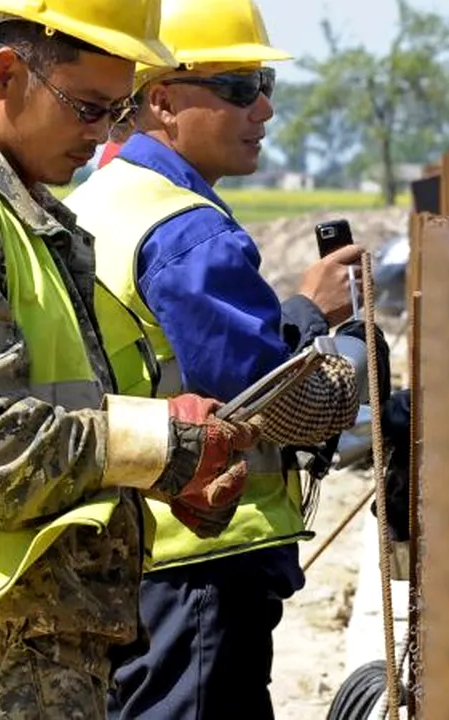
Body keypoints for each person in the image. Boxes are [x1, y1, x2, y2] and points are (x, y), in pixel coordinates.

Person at [0, 2, 262, 717]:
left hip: (21, 640)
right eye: (88, 107)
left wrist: (159, 458)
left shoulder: (9, 209)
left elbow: (41, 408)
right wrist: (163, 446)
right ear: (7, 75)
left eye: (117, 111)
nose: (103, 133)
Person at [65, 0, 363, 716]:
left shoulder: (94, 200)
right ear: (163, 101)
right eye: (237, 87)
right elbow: (266, 395)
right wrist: (324, 323)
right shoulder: (186, 231)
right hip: (200, 557)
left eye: (265, 84)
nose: (263, 108)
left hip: (121, 548)